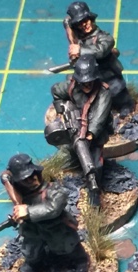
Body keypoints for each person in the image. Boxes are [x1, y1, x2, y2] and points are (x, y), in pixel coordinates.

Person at [2, 154, 89, 272]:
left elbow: (53, 208)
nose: (32, 180)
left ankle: (81, 261)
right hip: (33, 229)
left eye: (33, 176)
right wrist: (6, 179)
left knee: (69, 246)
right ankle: (34, 264)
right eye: (25, 179)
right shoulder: (22, 193)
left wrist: (28, 211)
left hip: (56, 227)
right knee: (31, 250)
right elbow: (5, 177)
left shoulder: (54, 190)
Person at [50, 54, 112, 206]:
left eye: (90, 81)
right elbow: (56, 91)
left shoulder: (103, 93)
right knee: (71, 153)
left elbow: (99, 117)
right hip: (75, 126)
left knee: (95, 164)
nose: (87, 85)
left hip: (94, 133)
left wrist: (89, 134)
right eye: (83, 82)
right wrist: (61, 110)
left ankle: (94, 191)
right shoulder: (72, 86)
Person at [64, 1, 134, 116]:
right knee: (95, 96)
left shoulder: (104, 37)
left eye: (86, 20)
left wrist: (80, 50)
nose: (84, 25)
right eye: (80, 23)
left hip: (109, 73)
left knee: (117, 92)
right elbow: (67, 23)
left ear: (91, 19)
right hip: (92, 76)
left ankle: (126, 106)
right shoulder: (80, 39)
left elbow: (101, 50)